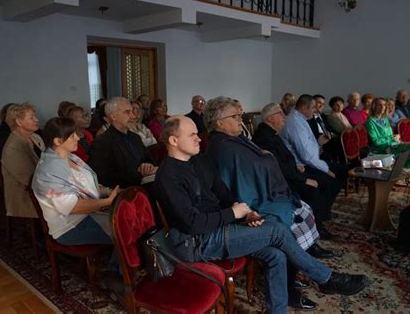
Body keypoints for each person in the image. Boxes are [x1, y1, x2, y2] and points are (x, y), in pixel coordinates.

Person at [155, 115, 369, 313]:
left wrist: (245, 214)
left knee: (276, 254)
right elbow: (192, 223)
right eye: (192, 135)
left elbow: (222, 192)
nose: (199, 138)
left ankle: (278, 310)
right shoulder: (168, 175)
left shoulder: (198, 160)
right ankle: (327, 279)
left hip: (219, 228)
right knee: (277, 231)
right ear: (173, 141)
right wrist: (232, 213)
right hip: (196, 242)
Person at [32, 117, 120, 276]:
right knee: (125, 230)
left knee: (131, 221)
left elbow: (88, 186)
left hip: (88, 215)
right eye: (72, 135)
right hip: (70, 227)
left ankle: (119, 269)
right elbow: (73, 207)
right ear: (58, 141)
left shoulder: (69, 156)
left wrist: (107, 191)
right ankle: (116, 277)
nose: (78, 137)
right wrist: (106, 201)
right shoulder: (48, 171)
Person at [253, 103, 339, 239]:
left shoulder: (270, 133)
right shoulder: (264, 137)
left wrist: (296, 165)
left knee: (325, 181)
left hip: (290, 173)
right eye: (280, 113)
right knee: (314, 187)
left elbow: (284, 159)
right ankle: (316, 229)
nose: (284, 116)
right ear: (270, 118)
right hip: (280, 181)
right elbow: (277, 167)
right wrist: (305, 179)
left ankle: (320, 219)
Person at [280, 94, 347, 199]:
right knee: (332, 178)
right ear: (303, 108)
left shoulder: (301, 119)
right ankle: (321, 210)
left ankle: (325, 205)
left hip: (307, 161)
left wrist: (318, 143)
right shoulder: (295, 123)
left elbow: (307, 146)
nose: (315, 110)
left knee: (342, 170)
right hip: (300, 166)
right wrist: (326, 170)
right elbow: (306, 156)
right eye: (313, 107)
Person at [89, 97, 157, 189]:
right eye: (127, 112)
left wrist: (148, 166)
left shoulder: (135, 137)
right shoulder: (101, 142)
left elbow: (147, 159)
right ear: (113, 116)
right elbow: (104, 178)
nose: (133, 116)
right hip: (126, 192)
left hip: (146, 184)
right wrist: (138, 174)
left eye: (132, 112)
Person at [365, 97, 410, 189]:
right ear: (374, 107)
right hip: (382, 149)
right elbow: (376, 141)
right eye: (379, 104)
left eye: (384, 105)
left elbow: (389, 136)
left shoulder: (385, 119)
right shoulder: (370, 121)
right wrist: (391, 138)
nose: (382, 107)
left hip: (393, 145)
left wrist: (396, 137)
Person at [1, 103, 45, 218]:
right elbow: (28, 178)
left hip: (40, 185)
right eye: (31, 117)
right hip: (25, 196)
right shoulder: (12, 147)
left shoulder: (36, 137)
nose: (37, 119)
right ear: (19, 122)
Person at [307, 94, 343, 163]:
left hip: (329, 140)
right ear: (313, 103)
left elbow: (332, 130)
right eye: (319, 103)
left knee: (340, 140)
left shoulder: (325, 117)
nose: (321, 106)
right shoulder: (308, 118)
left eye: (323, 104)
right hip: (319, 142)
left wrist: (332, 134)